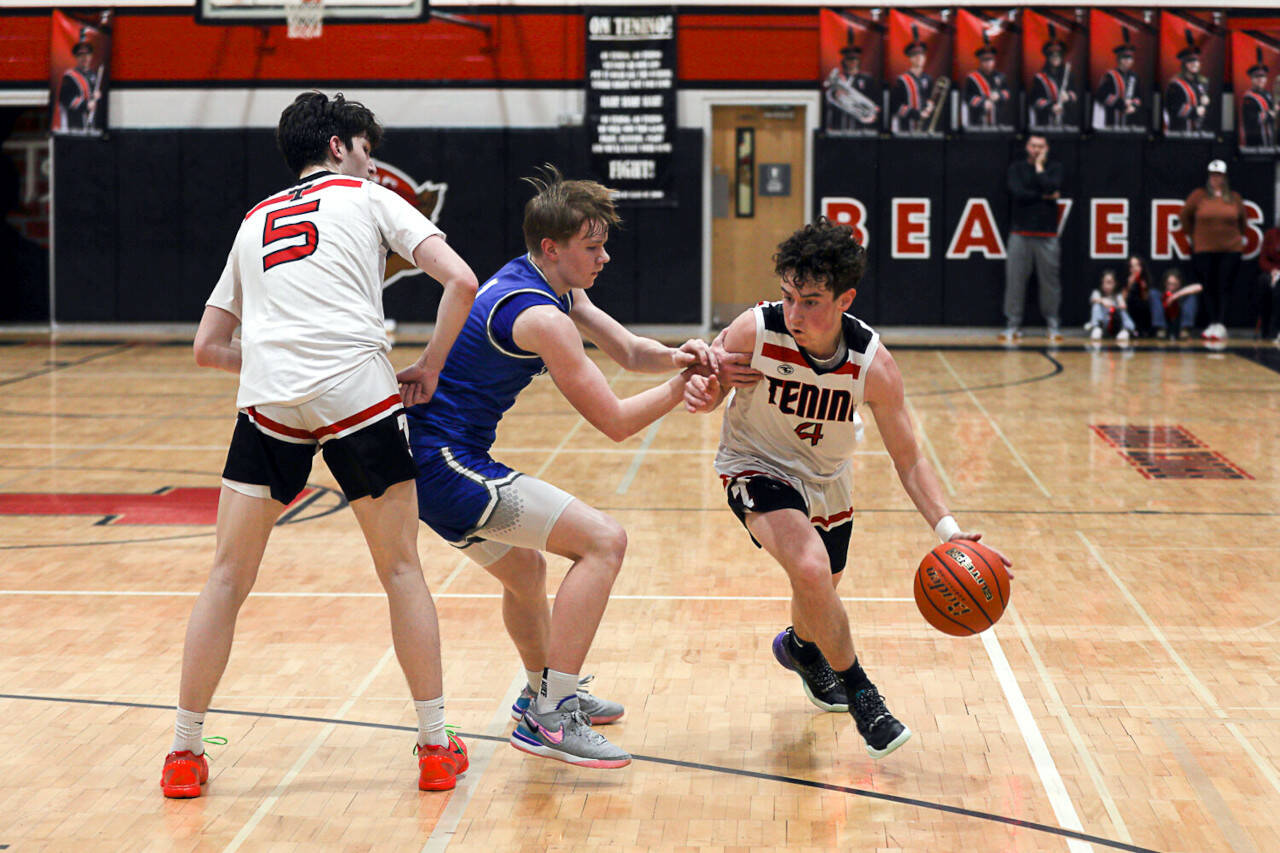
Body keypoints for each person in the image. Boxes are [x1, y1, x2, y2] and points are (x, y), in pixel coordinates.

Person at [161, 92, 479, 798]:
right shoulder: (367, 197)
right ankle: (434, 744)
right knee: (400, 569)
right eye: (366, 148)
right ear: (339, 146)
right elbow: (461, 280)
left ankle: (184, 753)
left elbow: (207, 347)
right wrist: (427, 365)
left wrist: (280, 353)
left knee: (225, 577)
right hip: (358, 392)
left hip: (270, 398)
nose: (371, 161)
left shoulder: (253, 220)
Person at [406, 166, 713, 770]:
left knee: (526, 573)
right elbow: (617, 422)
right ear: (552, 248)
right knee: (604, 542)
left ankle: (538, 690)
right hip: (441, 463)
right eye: (592, 247)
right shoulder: (542, 317)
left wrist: (683, 355)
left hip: (437, 460)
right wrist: (687, 387)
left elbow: (628, 352)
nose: (604, 256)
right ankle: (552, 716)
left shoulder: (553, 288)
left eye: (603, 244)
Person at [685, 218, 1010, 760]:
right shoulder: (755, 330)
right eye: (788, 296)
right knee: (811, 570)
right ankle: (865, 698)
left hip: (828, 479)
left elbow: (909, 460)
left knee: (822, 586)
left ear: (845, 299)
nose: (795, 314)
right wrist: (703, 387)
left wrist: (949, 532)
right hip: (755, 463)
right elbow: (708, 379)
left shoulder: (873, 364)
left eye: (811, 301)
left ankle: (800, 648)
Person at [1000, 133, 1063, 342]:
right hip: (1020, 233)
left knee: (1050, 283)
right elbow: (1017, 193)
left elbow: (1050, 186)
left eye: (1041, 147)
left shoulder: (1054, 168)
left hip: (1047, 235)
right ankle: (1013, 324)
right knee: (1015, 281)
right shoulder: (1016, 169)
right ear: (1027, 147)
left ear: (1046, 149)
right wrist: (1044, 197)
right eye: (1033, 146)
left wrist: (1039, 168)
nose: (1036, 150)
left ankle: (1053, 324)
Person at [1179, 159, 1245, 341]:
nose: (1216, 179)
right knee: (1208, 286)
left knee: (1224, 286)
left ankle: (1221, 324)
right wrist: (1193, 236)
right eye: (1213, 175)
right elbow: (1184, 216)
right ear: (1209, 177)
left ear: (1224, 177)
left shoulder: (1233, 198)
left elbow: (1243, 222)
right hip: (1204, 249)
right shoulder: (1198, 196)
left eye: (1219, 175)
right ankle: (1212, 323)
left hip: (1230, 249)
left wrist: (1237, 238)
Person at [825, 34, 880, 133]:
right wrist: (836, 95)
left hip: (861, 129)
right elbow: (829, 103)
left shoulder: (867, 79)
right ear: (844, 61)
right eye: (849, 59)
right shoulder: (839, 79)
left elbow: (876, 103)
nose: (852, 62)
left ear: (859, 60)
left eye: (855, 59)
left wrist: (873, 115)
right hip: (840, 127)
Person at [891, 29, 936, 134]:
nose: (919, 58)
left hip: (925, 127)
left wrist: (931, 105)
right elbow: (896, 106)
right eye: (915, 55)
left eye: (922, 55)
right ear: (910, 58)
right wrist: (916, 114)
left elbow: (931, 99)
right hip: (906, 127)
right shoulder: (902, 80)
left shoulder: (929, 79)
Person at [1030, 30, 1076, 130]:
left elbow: (1076, 95)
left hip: (1066, 123)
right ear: (1047, 57)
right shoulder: (1040, 78)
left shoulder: (1068, 75)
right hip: (1045, 122)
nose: (1055, 57)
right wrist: (1051, 106)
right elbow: (1035, 100)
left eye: (1058, 55)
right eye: (1052, 55)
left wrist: (1068, 96)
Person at [56, 32, 101, 133]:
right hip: (75, 125)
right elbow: (67, 98)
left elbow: (93, 98)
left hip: (91, 124)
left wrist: (98, 97)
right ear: (76, 57)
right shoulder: (69, 76)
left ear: (91, 56)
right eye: (81, 55)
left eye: (87, 54)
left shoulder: (93, 76)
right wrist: (86, 105)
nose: (84, 58)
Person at [1094, 35, 1141, 130]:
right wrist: (1122, 103)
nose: (1129, 61)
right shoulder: (1110, 76)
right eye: (1126, 58)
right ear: (1119, 59)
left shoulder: (1134, 76)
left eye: (1131, 58)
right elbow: (1101, 96)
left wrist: (1134, 106)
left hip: (1130, 120)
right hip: (1112, 120)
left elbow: (1139, 96)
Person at [1165, 39, 1210, 135]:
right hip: (1180, 131)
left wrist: (1206, 101)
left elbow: (1204, 107)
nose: (1195, 64)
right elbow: (1173, 108)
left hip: (1198, 131)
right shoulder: (1175, 84)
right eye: (1190, 62)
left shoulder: (1201, 83)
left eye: (1197, 61)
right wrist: (1195, 111)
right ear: (1184, 65)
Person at [963, 41, 1011, 130]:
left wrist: (999, 95)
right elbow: (967, 97)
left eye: (991, 59)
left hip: (998, 121)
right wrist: (982, 103)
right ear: (980, 61)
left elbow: (1007, 93)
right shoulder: (972, 78)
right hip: (978, 121)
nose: (988, 63)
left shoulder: (1001, 77)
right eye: (985, 60)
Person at [1150, 267, 1202, 341]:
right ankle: (1161, 329)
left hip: (1180, 321)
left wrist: (1175, 296)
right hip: (1165, 321)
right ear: (1165, 283)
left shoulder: (1183, 292)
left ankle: (1185, 330)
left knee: (1192, 297)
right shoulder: (1160, 292)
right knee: (1153, 293)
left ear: (1179, 283)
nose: (1171, 287)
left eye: (1174, 284)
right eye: (1169, 284)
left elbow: (1198, 287)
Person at [1086, 269, 1136, 343]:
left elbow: (1123, 306)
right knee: (1096, 305)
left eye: (1110, 283)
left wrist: (1120, 303)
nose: (1107, 285)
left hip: (1115, 325)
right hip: (1103, 325)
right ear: (1102, 283)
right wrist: (1102, 300)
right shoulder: (1097, 292)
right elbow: (1093, 299)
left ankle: (1127, 330)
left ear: (1114, 284)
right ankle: (1097, 328)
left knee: (1122, 310)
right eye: (1105, 282)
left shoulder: (1117, 295)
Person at [1240, 54, 1276, 149]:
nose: (1261, 80)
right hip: (1256, 140)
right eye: (1257, 77)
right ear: (1252, 79)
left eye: (1263, 77)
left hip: (1269, 138)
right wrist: (1269, 114)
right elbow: (1252, 119)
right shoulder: (1249, 97)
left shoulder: (1267, 94)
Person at [1254, 223, 1280, 342]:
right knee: (1264, 281)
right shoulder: (1271, 234)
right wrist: (1273, 271)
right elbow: (1263, 259)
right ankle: (1266, 330)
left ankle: (1275, 329)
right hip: (1273, 271)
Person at [1124, 255, 1153, 338]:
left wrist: (1143, 288)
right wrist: (1129, 285)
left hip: (1145, 316)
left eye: (1137, 265)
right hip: (1130, 313)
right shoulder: (1126, 280)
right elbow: (1122, 301)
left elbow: (1146, 301)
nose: (1135, 269)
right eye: (1132, 266)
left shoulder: (1146, 280)